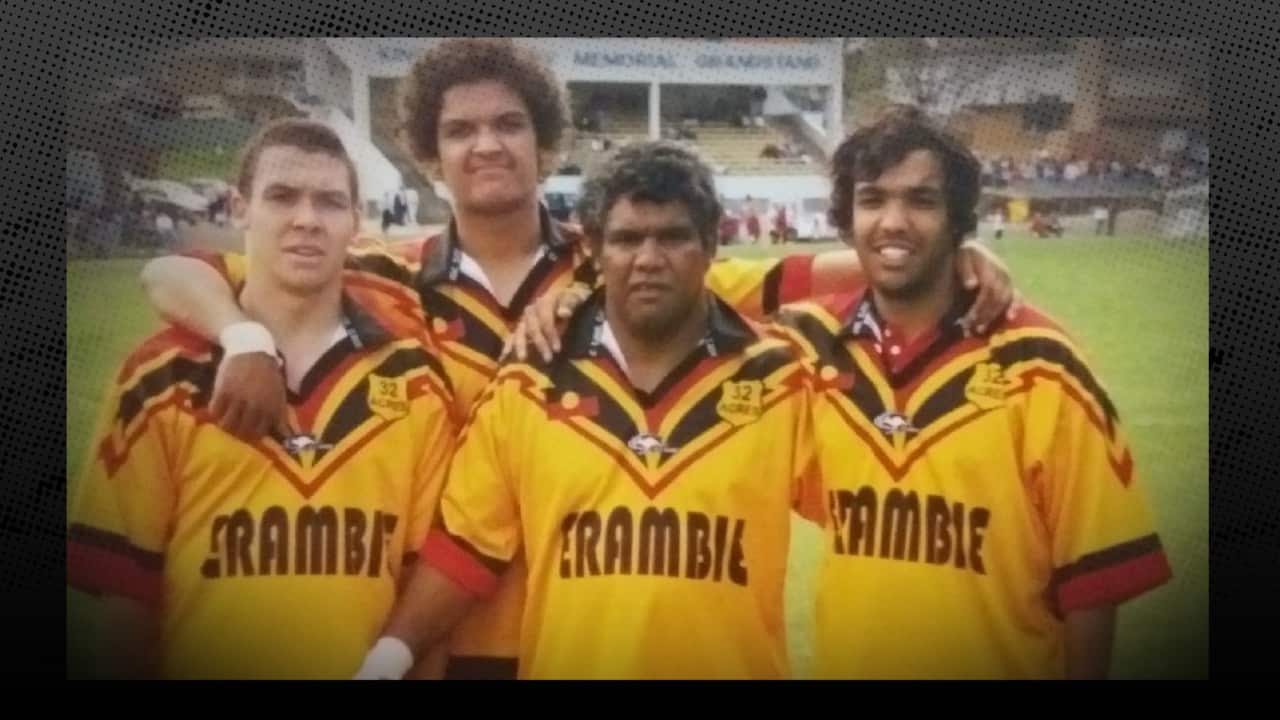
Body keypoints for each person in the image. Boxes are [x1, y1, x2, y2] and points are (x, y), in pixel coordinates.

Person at [138, 40, 1015, 679]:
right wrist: (244, 336)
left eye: (509, 125)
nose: (486, 145)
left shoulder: (616, 260)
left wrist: (952, 258)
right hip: (458, 634)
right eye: (461, 130)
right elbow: (173, 271)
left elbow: (795, 275)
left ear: (545, 142)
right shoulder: (383, 270)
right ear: (428, 153)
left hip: (589, 629)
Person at [354, 141, 820, 680]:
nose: (648, 259)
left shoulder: (782, 378)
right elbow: (466, 547)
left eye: (672, 236)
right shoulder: (530, 383)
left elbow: (870, 504)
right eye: (626, 239)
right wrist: (391, 656)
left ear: (711, 243)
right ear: (595, 250)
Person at [67, 119, 457, 679]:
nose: (306, 219)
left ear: (355, 222)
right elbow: (125, 601)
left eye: (329, 202)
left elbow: (423, 607)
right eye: (282, 197)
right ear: (239, 207)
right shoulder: (161, 377)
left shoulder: (416, 384)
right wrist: (244, 339)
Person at [791, 105, 1172, 679]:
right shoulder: (807, 345)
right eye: (873, 200)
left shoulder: (1043, 362)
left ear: (958, 219)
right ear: (847, 218)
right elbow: (666, 294)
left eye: (921, 201)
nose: (893, 220)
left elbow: (1092, 584)